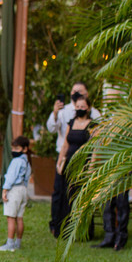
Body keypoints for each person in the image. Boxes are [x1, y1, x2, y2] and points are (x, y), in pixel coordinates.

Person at [47, 82, 102, 235]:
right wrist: (60, 161)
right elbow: (58, 135)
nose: (76, 94)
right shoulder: (66, 114)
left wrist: (91, 166)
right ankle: (59, 225)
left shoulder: (94, 118)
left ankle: (81, 229)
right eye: (74, 91)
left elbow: (96, 145)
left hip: (83, 164)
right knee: (61, 195)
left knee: (80, 196)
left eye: (80, 91)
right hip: (67, 162)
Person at [0, 136, 32, 252]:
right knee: (19, 218)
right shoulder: (27, 161)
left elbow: (11, 177)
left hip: (14, 190)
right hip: (23, 189)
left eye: (17, 148)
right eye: (13, 148)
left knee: (11, 218)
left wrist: (5, 190)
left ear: (24, 149)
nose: (14, 151)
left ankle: (10, 243)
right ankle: (18, 243)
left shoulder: (16, 161)